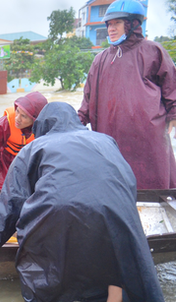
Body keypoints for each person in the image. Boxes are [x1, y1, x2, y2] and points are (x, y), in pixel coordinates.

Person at [0, 102, 169, 302]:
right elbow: (126, 181)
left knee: (35, 245)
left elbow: (11, 203)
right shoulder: (105, 140)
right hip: (114, 213)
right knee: (114, 259)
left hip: (58, 213)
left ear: (43, 126)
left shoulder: (33, 148)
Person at [78, 0, 176, 190]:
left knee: (151, 185)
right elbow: (87, 100)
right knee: (114, 184)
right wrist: (75, 123)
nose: (111, 28)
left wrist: (174, 114)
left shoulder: (153, 51)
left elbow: (171, 84)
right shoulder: (100, 59)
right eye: (109, 24)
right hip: (109, 136)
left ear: (133, 24)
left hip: (148, 135)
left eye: (117, 23)